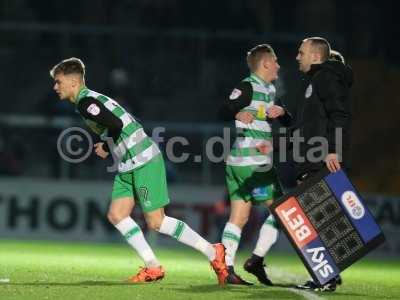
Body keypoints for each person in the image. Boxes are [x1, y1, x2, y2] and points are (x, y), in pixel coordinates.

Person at [49, 58, 228, 285]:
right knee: (117, 215)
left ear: (73, 82)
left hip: (143, 161)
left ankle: (213, 252)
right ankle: (153, 267)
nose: (55, 87)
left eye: (58, 82)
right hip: (127, 164)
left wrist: (104, 145)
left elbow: (115, 124)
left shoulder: (86, 102)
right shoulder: (89, 100)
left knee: (157, 222)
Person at [219, 44, 292, 285]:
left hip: (239, 165)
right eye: (276, 61)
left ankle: (226, 269)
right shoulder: (247, 86)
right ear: (266, 64)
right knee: (281, 211)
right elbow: (225, 108)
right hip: (253, 165)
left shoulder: (269, 90)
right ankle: (256, 259)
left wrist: (282, 112)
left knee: (238, 217)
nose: (279, 66)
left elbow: (287, 120)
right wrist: (237, 114)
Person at [294, 38, 353, 291]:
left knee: (317, 218)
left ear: (316, 57)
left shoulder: (325, 77)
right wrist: (273, 144)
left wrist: (332, 150)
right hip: (312, 159)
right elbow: (307, 129)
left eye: (301, 52)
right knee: (318, 218)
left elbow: (339, 113)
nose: (297, 57)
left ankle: (325, 277)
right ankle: (330, 273)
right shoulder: (316, 81)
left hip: (320, 159)